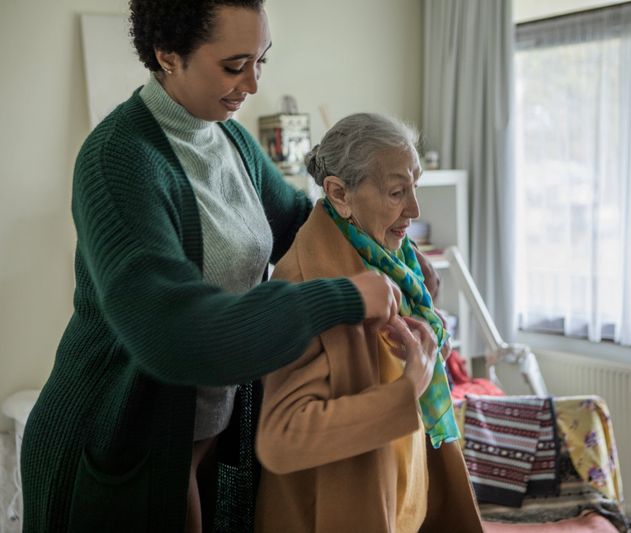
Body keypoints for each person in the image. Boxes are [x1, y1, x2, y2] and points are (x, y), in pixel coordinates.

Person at [20, 2, 401, 532]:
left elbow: (304, 228)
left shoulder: (233, 142)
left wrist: (395, 259)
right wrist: (340, 298)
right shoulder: (118, 159)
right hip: (111, 440)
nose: (252, 82)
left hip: (196, 442)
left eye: (262, 60)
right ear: (167, 55)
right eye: (234, 64)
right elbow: (173, 330)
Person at [254, 113, 483, 533]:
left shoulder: (395, 264)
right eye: (397, 192)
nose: (414, 209)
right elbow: (283, 438)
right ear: (339, 194)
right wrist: (408, 386)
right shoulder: (307, 287)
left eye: (415, 186)